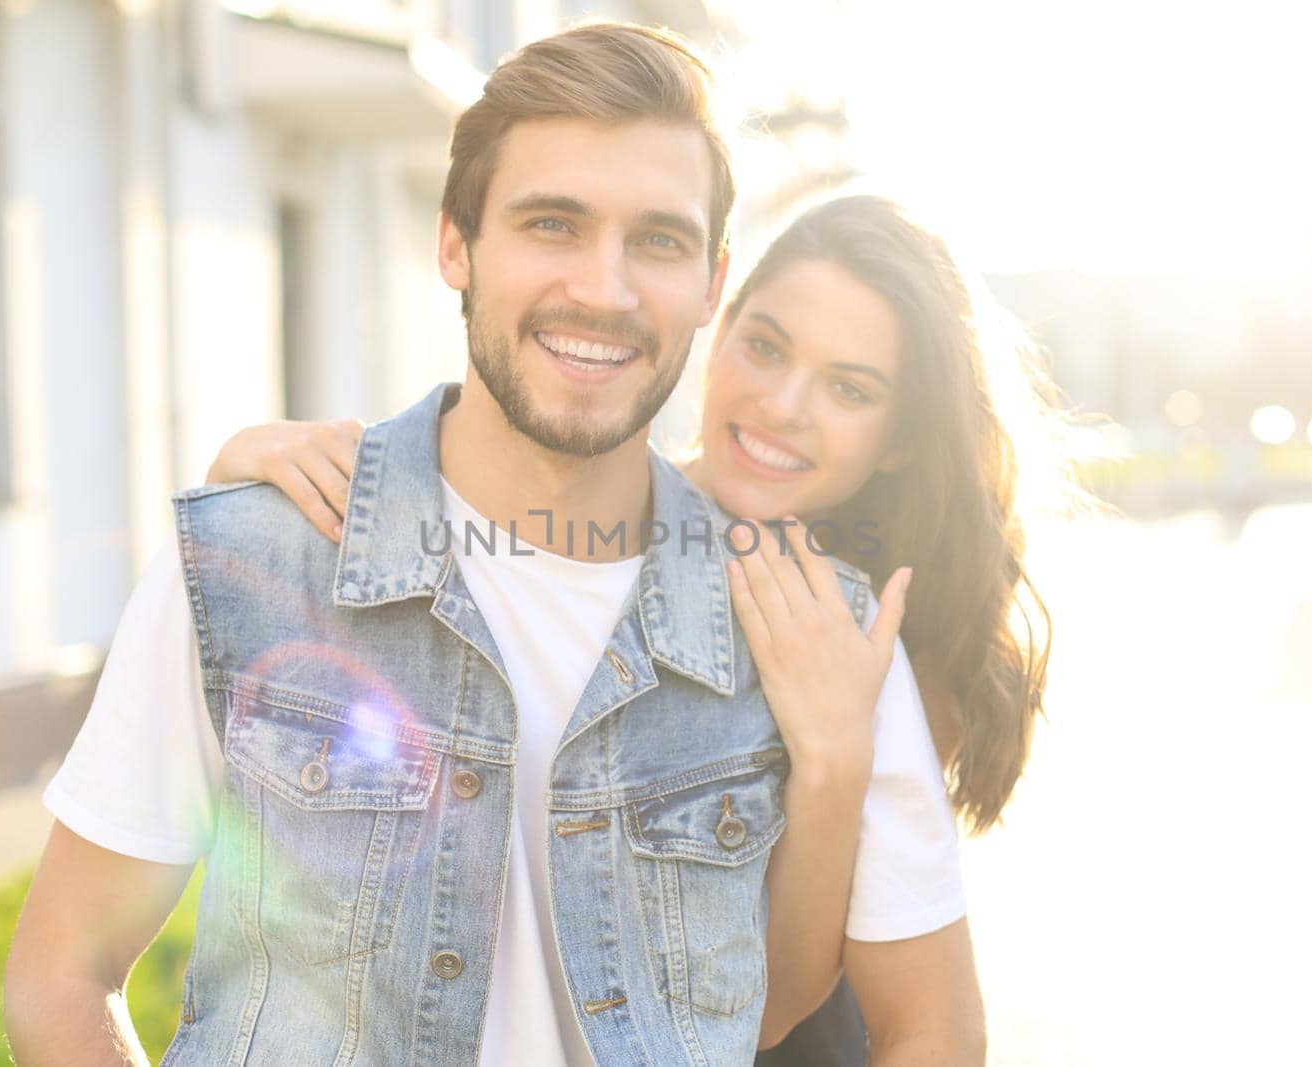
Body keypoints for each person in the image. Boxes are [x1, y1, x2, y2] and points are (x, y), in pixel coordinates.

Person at [3, 24, 983, 1067]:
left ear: (710, 280)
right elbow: (62, 972)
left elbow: (923, 1026)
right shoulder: (251, 558)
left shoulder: (823, 636)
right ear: (455, 244)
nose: (602, 289)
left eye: (656, 239)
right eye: (552, 223)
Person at [206, 196, 1055, 1062]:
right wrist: (250, 486)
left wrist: (834, 761)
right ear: (714, 328)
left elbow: (771, 1009)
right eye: (764, 346)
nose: (783, 404)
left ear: (897, 441)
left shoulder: (877, 640)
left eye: (849, 387)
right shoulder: (590, 521)